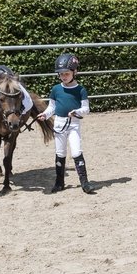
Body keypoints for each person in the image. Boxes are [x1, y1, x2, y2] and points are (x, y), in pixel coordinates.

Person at [38, 52, 95, 194]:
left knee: (76, 152)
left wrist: (77, 112)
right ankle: (59, 182)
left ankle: (84, 182)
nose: (63, 76)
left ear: (74, 72)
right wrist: (45, 114)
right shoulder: (56, 89)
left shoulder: (80, 90)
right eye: (61, 74)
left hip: (74, 124)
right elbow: (52, 107)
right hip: (59, 124)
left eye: (67, 74)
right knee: (60, 153)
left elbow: (86, 108)